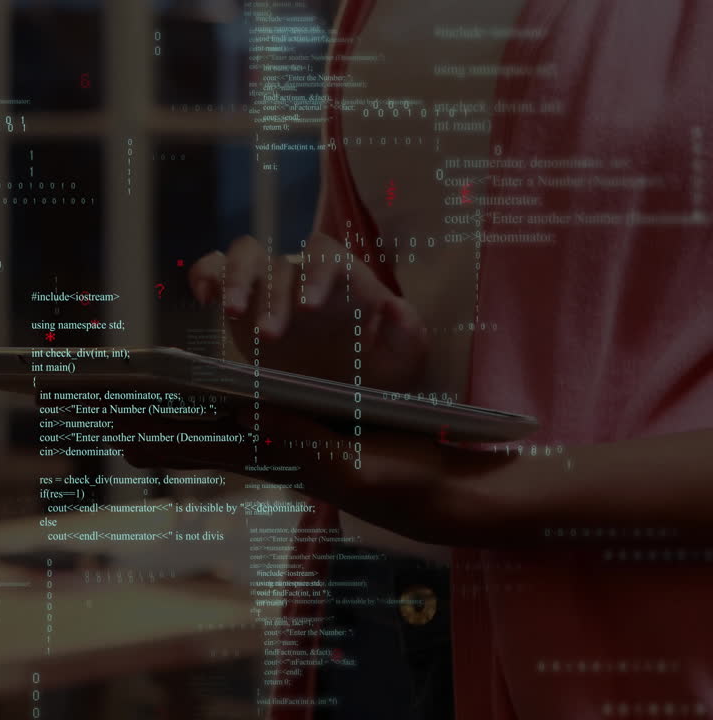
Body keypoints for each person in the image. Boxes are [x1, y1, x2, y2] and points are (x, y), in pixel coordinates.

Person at [132, 1, 713, 718]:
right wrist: (328, 366)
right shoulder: (367, 12)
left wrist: (467, 496)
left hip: (620, 651)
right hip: (366, 611)